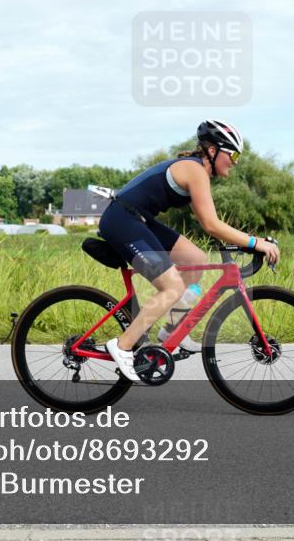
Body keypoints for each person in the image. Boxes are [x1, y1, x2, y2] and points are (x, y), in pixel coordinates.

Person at [100, 119, 281, 382]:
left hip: (137, 218)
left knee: (195, 259)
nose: (235, 162)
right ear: (213, 150)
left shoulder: (198, 172)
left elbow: (209, 224)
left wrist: (248, 241)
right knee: (172, 287)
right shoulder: (195, 171)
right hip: (122, 220)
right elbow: (212, 224)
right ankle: (123, 345)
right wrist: (256, 243)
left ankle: (173, 330)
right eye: (233, 155)